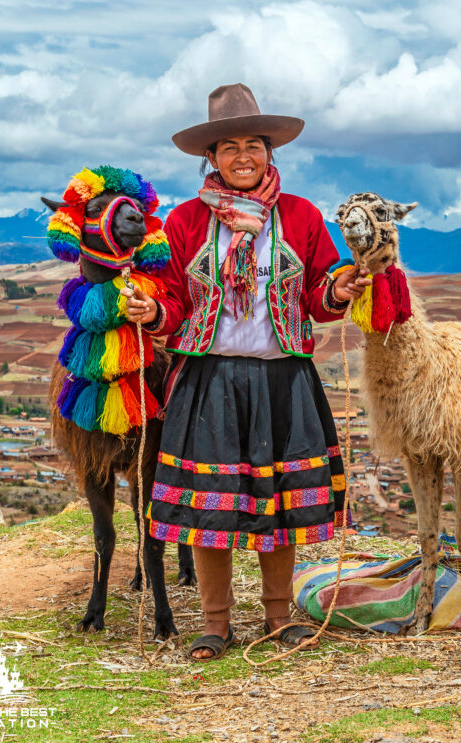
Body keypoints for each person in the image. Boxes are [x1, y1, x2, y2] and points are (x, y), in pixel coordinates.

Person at [122, 83, 369, 660]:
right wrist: (154, 311)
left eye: (252, 145)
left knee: (276, 502)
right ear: (210, 157)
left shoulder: (302, 216)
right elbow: (176, 301)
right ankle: (215, 623)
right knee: (214, 504)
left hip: (283, 377)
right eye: (228, 146)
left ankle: (280, 618)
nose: (242, 156)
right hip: (210, 381)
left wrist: (338, 287)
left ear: (269, 152)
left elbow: (317, 294)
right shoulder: (183, 223)